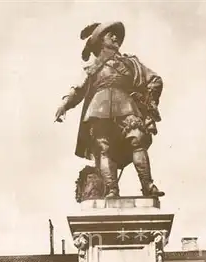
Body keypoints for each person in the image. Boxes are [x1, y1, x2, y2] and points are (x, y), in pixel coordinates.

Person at [54, 21, 165, 199]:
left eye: (117, 35)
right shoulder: (92, 68)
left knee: (137, 139)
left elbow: (155, 80)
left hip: (126, 106)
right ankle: (111, 190)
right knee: (103, 148)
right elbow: (78, 89)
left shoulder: (131, 62)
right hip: (99, 109)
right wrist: (65, 104)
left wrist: (149, 101)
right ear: (100, 40)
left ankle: (148, 186)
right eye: (110, 35)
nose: (115, 38)